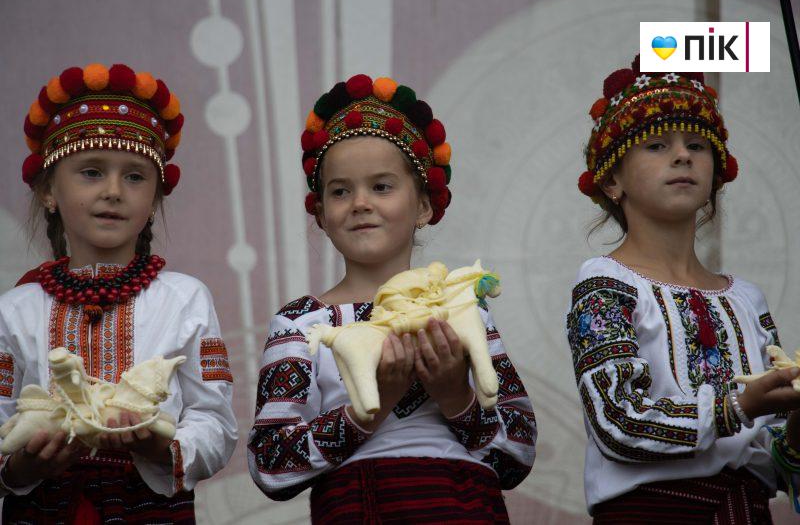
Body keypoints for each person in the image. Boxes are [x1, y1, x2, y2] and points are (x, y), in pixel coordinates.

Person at [248, 74, 536, 523]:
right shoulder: (303, 323)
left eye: (381, 186)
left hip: (465, 509)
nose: (360, 203)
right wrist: (371, 405)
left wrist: (454, 394)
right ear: (321, 214)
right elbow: (268, 464)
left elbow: (518, 452)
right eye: (341, 190)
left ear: (423, 206)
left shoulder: (464, 306)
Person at [0, 63, 238, 523]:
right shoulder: (16, 310)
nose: (113, 191)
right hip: (42, 508)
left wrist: (159, 444)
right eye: (91, 171)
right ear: (49, 190)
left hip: (152, 508)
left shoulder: (184, 298)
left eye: (134, 176)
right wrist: (23, 464)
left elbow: (216, 422)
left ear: (155, 200)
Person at [568, 55, 800, 523]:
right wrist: (739, 405)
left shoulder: (746, 298)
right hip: (653, 513)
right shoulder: (606, 282)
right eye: (655, 145)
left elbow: (775, 454)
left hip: (747, 512)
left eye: (698, 144)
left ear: (716, 174)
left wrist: (796, 427)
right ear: (612, 180)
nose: (682, 155)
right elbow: (617, 421)